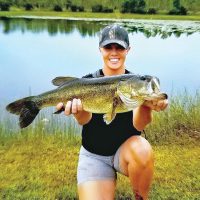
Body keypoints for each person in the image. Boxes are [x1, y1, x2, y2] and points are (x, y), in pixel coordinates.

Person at [56, 24, 168, 200]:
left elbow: (139, 125)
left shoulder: (134, 83)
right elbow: (84, 121)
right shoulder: (86, 81)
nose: (114, 52)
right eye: (108, 47)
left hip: (125, 153)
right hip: (94, 156)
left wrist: (147, 105)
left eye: (119, 47)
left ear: (128, 50)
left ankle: (141, 197)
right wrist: (78, 112)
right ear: (100, 49)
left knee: (143, 149)